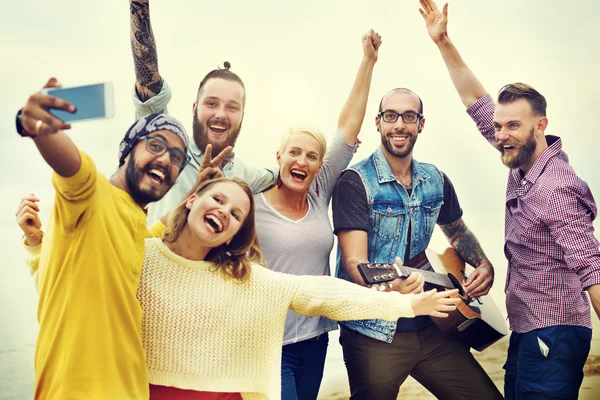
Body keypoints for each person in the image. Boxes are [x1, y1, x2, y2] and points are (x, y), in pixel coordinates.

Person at [20, 177, 461, 400]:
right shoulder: (141, 255)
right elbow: (72, 294)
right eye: (217, 199)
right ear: (191, 199)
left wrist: (407, 305)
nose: (224, 212)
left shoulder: (246, 280)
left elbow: (324, 292)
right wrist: (39, 245)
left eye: (236, 215)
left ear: (234, 235)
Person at [419, 0, 600, 398]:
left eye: (512, 126)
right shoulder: (520, 159)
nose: (500, 134)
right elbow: (476, 103)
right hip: (529, 329)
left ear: (541, 126)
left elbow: (592, 269)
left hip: (554, 333)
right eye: (499, 126)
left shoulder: (556, 188)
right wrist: (443, 41)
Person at [330, 33, 503, 400]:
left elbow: (457, 233)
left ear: (420, 125)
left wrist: (483, 263)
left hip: (431, 326)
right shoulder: (355, 182)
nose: (399, 125)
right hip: (373, 331)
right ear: (377, 123)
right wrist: (390, 286)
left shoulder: (435, 180)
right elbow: (355, 263)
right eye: (391, 116)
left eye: (409, 117)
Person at [15, 78, 189, 399]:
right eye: (155, 145)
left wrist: (201, 190)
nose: (166, 159)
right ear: (128, 150)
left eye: (177, 157)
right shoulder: (92, 193)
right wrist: (37, 124)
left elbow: (167, 224)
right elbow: (71, 166)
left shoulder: (137, 222)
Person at [254, 30, 377, 400]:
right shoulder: (251, 202)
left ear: (320, 165)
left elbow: (348, 128)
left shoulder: (319, 191)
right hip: (267, 342)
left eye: (311, 156)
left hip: (315, 337)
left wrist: (368, 60)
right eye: (294, 152)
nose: (301, 161)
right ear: (279, 157)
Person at [129, 0, 276, 224]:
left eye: (232, 107)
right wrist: (139, 6)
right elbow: (149, 84)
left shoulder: (244, 175)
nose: (220, 114)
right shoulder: (166, 145)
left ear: (242, 116)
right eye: (211, 103)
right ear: (194, 108)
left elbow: (286, 170)